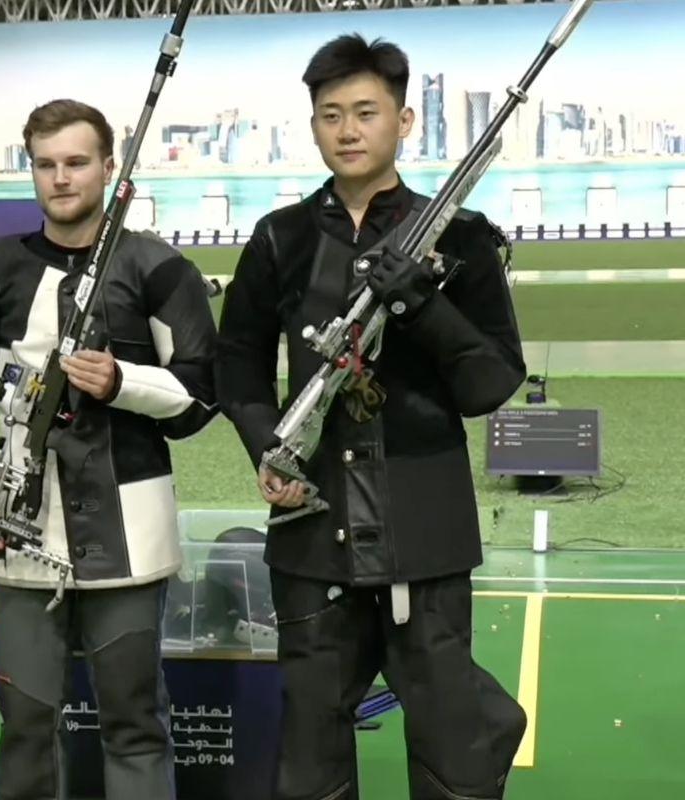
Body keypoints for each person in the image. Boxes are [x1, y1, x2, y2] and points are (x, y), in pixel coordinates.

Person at [215, 35, 528, 800]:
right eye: (330, 115)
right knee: (312, 755)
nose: (347, 130)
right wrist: (270, 450)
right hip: (310, 536)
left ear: (404, 121)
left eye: (365, 112)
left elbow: (491, 381)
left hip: (425, 533)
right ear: (314, 126)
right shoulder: (280, 239)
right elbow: (237, 364)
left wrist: (420, 302)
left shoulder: (460, 239)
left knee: (454, 751)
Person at [0, 99, 216, 800]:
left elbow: (199, 397)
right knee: (26, 721)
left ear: (108, 168)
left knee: (134, 722)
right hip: (18, 531)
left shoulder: (159, 267)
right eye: (46, 164)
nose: (61, 179)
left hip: (130, 534)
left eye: (76, 162)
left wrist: (123, 382)